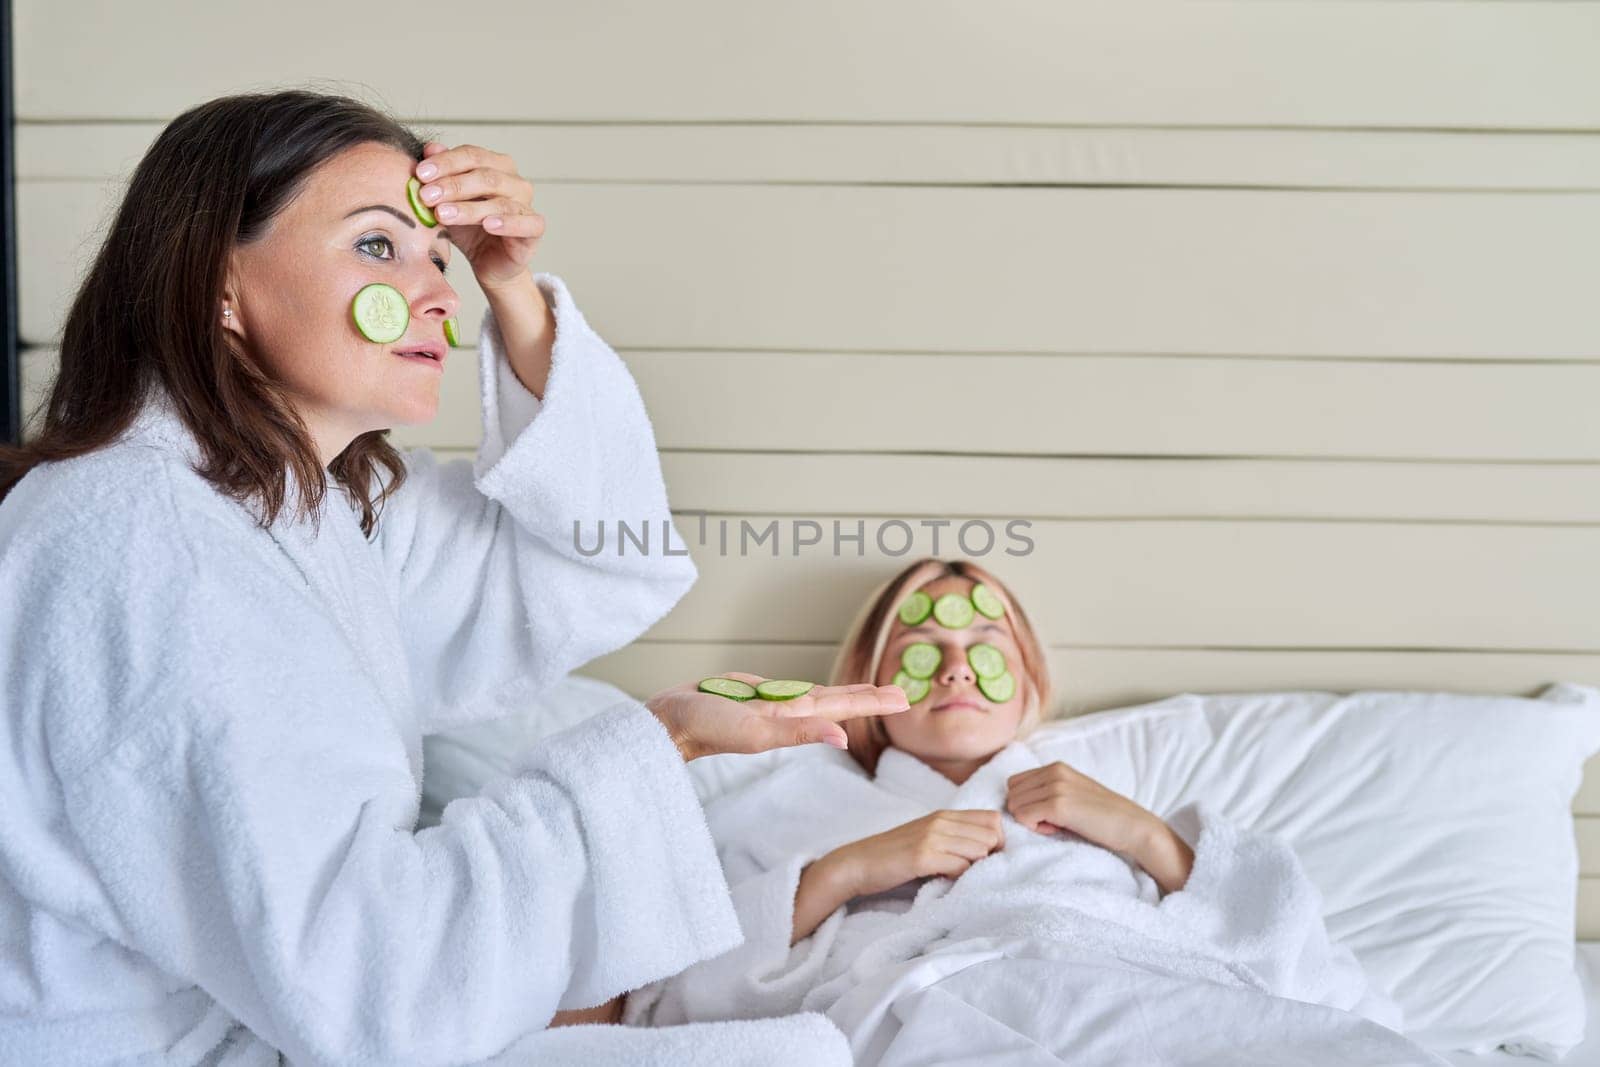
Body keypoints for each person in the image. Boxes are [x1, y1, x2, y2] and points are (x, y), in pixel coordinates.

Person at [0, 89, 904, 1066]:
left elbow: (604, 554)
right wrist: (664, 735)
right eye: (379, 246)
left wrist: (512, 286)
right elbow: (376, 986)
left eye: (440, 256)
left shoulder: (310, 513)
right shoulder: (148, 540)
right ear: (221, 285)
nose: (440, 291)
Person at [626, 558, 1447, 1066]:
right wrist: (854, 867)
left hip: (1142, 994)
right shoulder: (792, 797)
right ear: (872, 676)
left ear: (1027, 682)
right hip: (944, 1012)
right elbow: (674, 994)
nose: (954, 669)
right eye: (922, 649)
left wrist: (1145, 835)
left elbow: (1306, 970)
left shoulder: (1108, 809)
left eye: (983, 645)